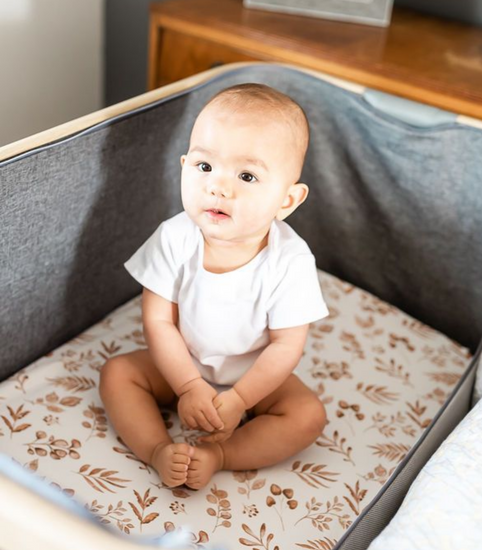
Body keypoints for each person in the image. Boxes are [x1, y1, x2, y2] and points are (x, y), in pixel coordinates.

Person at [99, 82, 329, 490]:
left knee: (308, 415)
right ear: (184, 166)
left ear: (287, 201)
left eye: (247, 175)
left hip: (253, 376)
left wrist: (239, 400)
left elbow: (285, 347)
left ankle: (220, 455)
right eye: (204, 167)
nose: (218, 187)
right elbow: (158, 322)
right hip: (181, 362)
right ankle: (158, 449)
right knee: (117, 374)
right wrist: (188, 385)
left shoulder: (291, 261)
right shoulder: (174, 238)